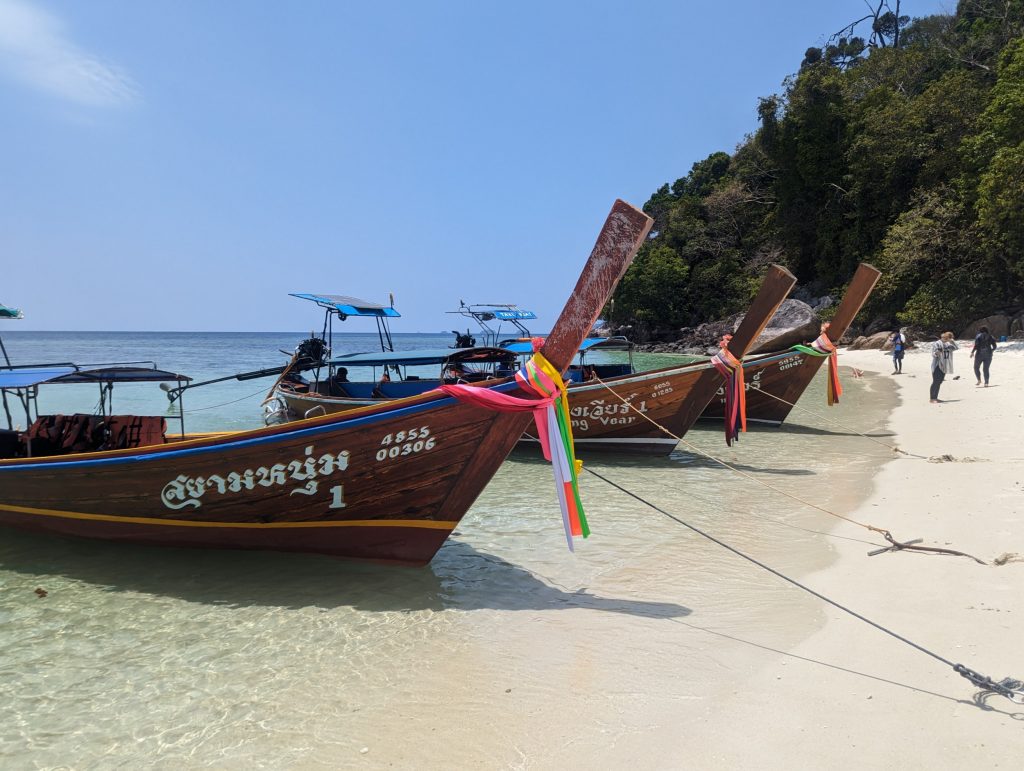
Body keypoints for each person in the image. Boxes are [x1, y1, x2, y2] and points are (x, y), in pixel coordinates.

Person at [930, 331, 957, 403]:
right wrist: (938, 352)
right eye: (946, 338)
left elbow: (956, 348)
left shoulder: (949, 343)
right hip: (937, 365)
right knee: (936, 382)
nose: (947, 339)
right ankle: (932, 398)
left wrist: (952, 341)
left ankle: (935, 397)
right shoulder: (937, 343)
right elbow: (933, 354)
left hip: (945, 366)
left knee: (940, 382)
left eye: (948, 338)